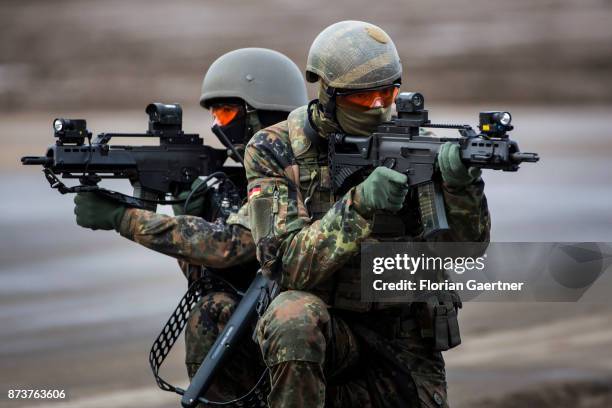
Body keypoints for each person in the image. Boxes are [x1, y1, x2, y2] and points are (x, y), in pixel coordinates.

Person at [245, 21, 491, 407]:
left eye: (388, 93)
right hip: (328, 328)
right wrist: (360, 205)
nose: (379, 107)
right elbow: (287, 266)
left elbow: (464, 253)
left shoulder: (420, 145)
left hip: (403, 335)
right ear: (328, 94)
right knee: (291, 315)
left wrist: (462, 188)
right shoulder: (276, 148)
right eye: (363, 99)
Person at [72, 47, 308, 402]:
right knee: (213, 306)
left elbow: (233, 244)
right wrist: (194, 213)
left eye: (227, 111)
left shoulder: (299, 166)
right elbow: (215, 274)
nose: (218, 124)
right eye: (214, 114)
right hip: (277, 315)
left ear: (264, 113)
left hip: (307, 322)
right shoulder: (240, 174)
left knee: (211, 313)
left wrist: (122, 217)